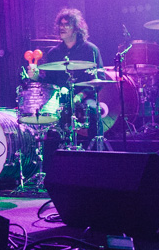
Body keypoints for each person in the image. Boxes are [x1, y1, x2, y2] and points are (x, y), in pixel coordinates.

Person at [26, 8, 105, 147]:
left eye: (66, 24)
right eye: (60, 25)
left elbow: (100, 79)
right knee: (43, 115)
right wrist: (36, 77)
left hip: (85, 97)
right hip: (60, 100)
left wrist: (81, 95)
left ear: (76, 28)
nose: (62, 28)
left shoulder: (90, 50)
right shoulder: (54, 53)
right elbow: (50, 82)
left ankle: (96, 151)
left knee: (93, 109)